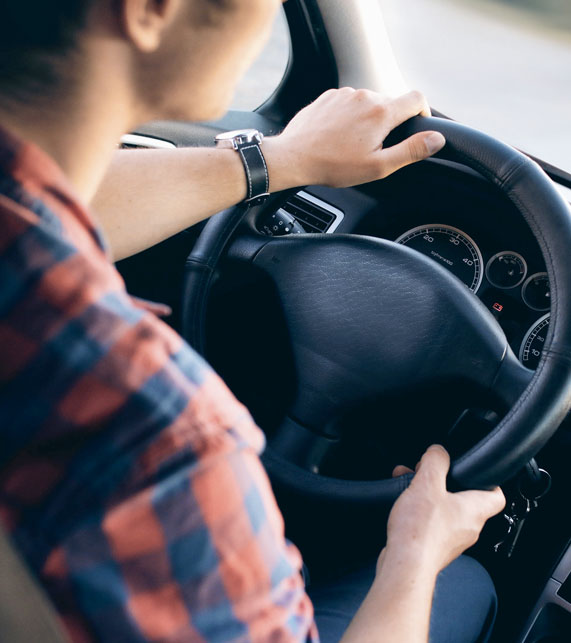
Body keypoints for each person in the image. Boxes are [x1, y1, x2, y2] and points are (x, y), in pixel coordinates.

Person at [0, 0, 505, 641]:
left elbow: (55, 206)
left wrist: (281, 159)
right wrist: (415, 552)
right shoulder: (159, 442)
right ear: (151, 10)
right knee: (464, 584)